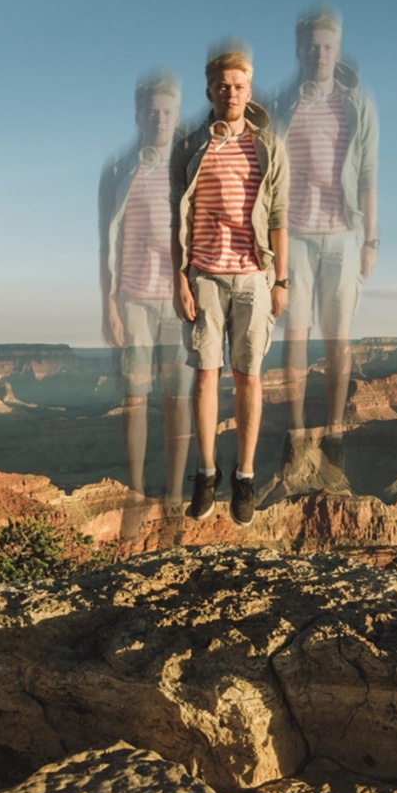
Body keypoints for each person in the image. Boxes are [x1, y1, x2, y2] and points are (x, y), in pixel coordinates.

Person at [173, 42, 288, 524]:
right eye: (223, 85)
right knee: (205, 375)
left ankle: (244, 476)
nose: (231, 92)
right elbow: (176, 214)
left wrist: (283, 279)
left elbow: (280, 217)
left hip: (254, 277)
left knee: (248, 376)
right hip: (203, 275)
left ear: (249, 89)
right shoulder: (190, 146)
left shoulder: (267, 145)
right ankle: (205, 473)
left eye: (240, 85)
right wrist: (178, 277)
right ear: (210, 91)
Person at [269, 5, 377, 459]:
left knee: (338, 337)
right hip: (293, 235)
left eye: (328, 45)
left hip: (341, 236)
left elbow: (368, 174)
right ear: (299, 49)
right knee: (296, 333)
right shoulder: (281, 105)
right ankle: (296, 434)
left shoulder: (357, 105)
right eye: (312, 46)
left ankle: (333, 431)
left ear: (337, 49)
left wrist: (371, 240)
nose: (320, 53)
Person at [98, 70, 193, 515]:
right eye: (152, 112)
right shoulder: (119, 170)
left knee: (177, 401)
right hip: (133, 300)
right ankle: (136, 491)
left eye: (168, 112)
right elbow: (106, 240)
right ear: (138, 114)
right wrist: (108, 305)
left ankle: (174, 492)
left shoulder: (189, 165)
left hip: (179, 303)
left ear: (177, 115)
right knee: (135, 400)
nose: (160, 119)